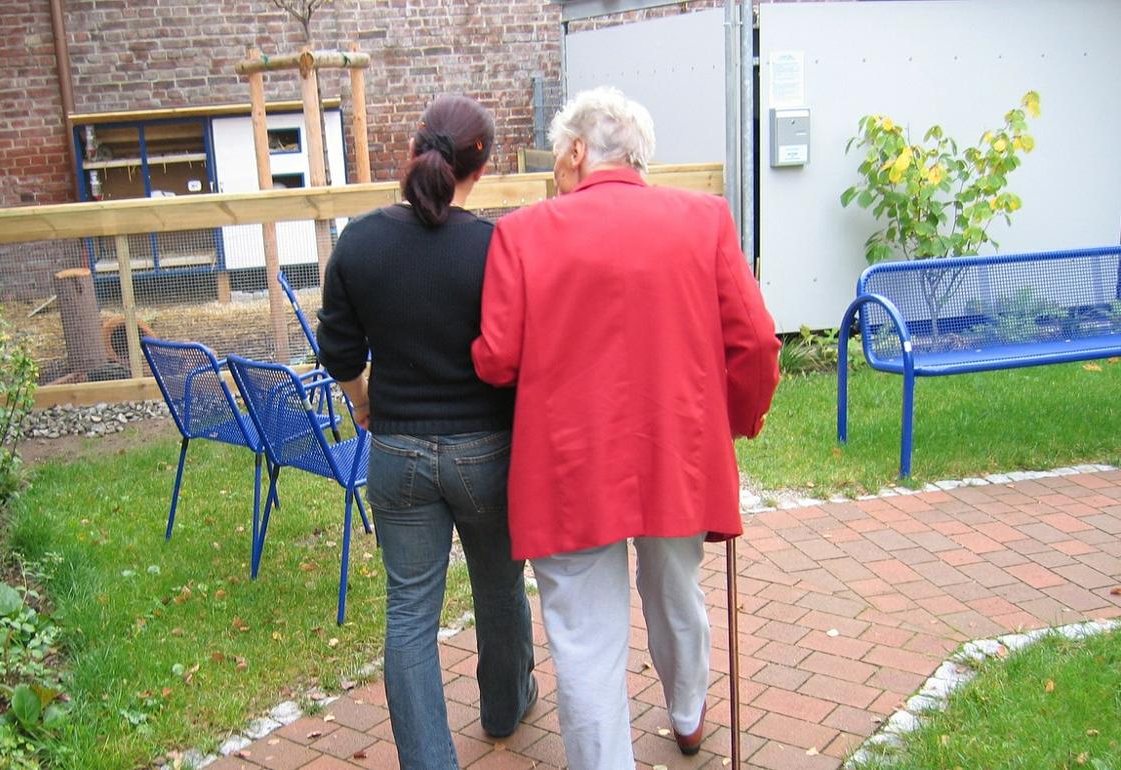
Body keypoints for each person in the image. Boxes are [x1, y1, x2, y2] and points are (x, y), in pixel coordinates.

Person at [472, 86, 780, 769]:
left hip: (569, 464)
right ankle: (688, 713)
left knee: (585, 639)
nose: (558, 168)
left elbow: (497, 360)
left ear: (579, 151)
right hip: (678, 452)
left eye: (559, 155)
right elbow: (757, 342)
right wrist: (737, 420)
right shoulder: (704, 219)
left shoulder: (522, 233)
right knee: (676, 590)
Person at [315, 94, 537, 770]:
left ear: (413, 151)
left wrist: (362, 404)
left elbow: (339, 350)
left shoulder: (360, 241)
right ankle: (504, 708)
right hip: (487, 452)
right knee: (500, 588)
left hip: (398, 452)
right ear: (483, 167)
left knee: (410, 612)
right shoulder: (496, 247)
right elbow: (521, 351)